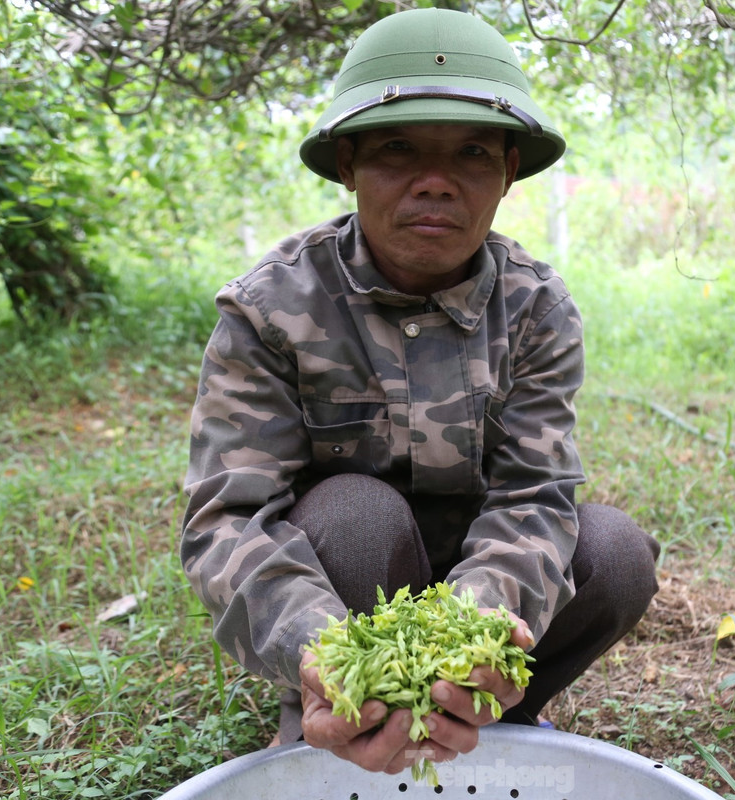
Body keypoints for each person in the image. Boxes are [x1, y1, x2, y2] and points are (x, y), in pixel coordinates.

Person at [180, 7, 659, 779]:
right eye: (399, 148)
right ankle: (328, 717)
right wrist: (320, 651)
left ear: (506, 172)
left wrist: (470, 643)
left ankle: (484, 716)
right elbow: (227, 521)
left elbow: (535, 496)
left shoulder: (537, 309)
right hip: (343, 580)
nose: (435, 181)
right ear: (348, 164)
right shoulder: (269, 308)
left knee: (614, 552)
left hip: (478, 578)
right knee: (357, 514)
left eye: (471, 153)